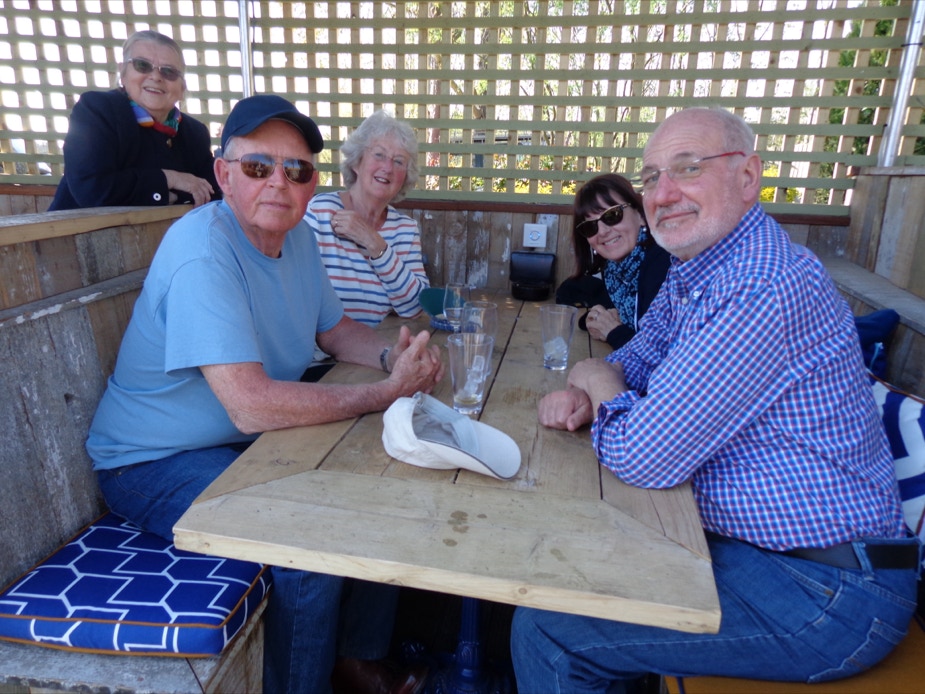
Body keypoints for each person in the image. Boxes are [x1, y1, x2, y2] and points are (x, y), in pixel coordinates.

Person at [513, 107, 920, 693]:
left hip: (827, 588)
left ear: (748, 177)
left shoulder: (760, 283)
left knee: (549, 625)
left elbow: (645, 455)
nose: (663, 193)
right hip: (765, 553)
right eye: (651, 177)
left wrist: (599, 387)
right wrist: (597, 386)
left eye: (689, 167)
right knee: (570, 553)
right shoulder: (696, 270)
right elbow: (636, 358)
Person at [86, 94, 442, 694]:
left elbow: (335, 330)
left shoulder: (296, 239)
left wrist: (393, 357)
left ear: (312, 185)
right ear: (224, 175)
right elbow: (251, 404)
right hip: (151, 461)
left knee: (377, 486)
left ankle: (356, 661)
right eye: (258, 166)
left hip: (238, 444)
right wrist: (385, 392)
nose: (279, 182)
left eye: (296, 169)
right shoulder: (204, 250)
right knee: (303, 541)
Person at [49, 30, 219, 210]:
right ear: (123, 73)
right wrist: (171, 179)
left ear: (182, 87)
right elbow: (93, 189)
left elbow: (210, 192)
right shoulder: (98, 110)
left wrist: (148, 191)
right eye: (142, 65)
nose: (156, 77)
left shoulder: (194, 132)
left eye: (168, 71)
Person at [305, 110, 428, 327]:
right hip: (324, 347)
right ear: (356, 162)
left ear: (405, 177)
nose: (388, 168)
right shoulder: (320, 213)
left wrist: (374, 242)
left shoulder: (405, 229)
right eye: (379, 155)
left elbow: (415, 307)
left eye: (399, 161)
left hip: (381, 344)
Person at [555, 173, 670, 350]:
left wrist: (613, 332)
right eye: (590, 226)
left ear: (641, 215)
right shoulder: (615, 271)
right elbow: (606, 309)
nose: (602, 232)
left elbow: (661, 352)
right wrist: (594, 319)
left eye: (612, 216)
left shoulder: (663, 264)